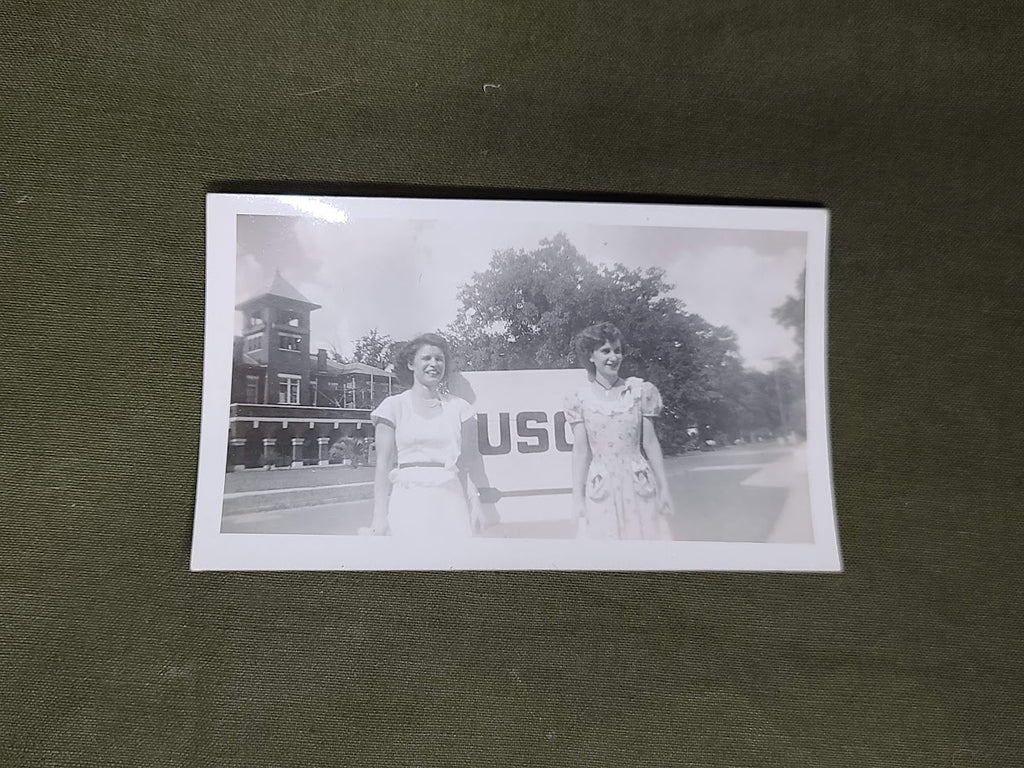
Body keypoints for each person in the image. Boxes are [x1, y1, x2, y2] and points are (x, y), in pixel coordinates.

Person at [565, 322, 674, 540]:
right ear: (590, 356)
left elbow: (650, 443)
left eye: (618, 350)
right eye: (605, 351)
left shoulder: (640, 391)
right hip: (601, 487)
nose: (613, 357)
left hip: (638, 484)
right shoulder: (579, 399)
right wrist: (577, 497)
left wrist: (664, 488)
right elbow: (581, 451)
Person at [366, 333, 480, 537]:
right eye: (426, 358)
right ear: (411, 364)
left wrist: (476, 503)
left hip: (450, 501)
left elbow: (466, 465)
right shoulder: (393, 407)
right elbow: (383, 464)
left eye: (439, 359)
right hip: (409, 499)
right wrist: (379, 516)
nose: (434, 364)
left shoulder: (459, 408)